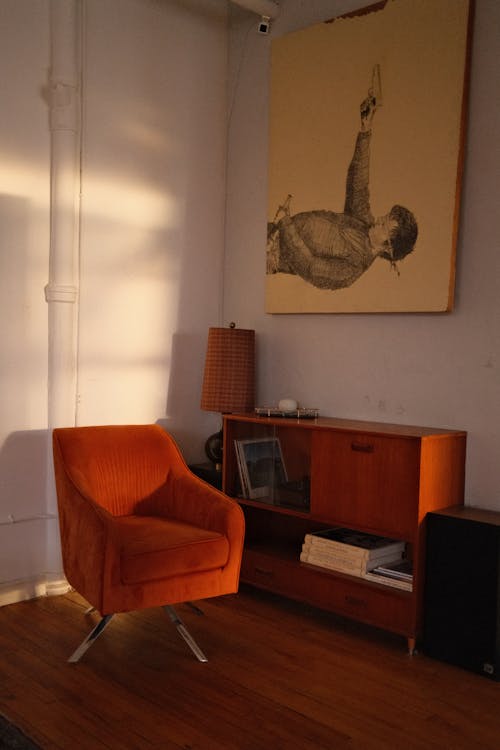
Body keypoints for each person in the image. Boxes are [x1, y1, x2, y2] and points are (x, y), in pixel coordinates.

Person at [266, 89, 418, 291]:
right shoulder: (364, 223)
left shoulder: (352, 268)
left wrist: (286, 222)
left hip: (270, 252)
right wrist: (365, 130)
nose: (379, 219)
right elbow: (358, 184)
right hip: (273, 231)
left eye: (384, 225)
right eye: (386, 216)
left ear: (387, 248)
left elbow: (310, 266)